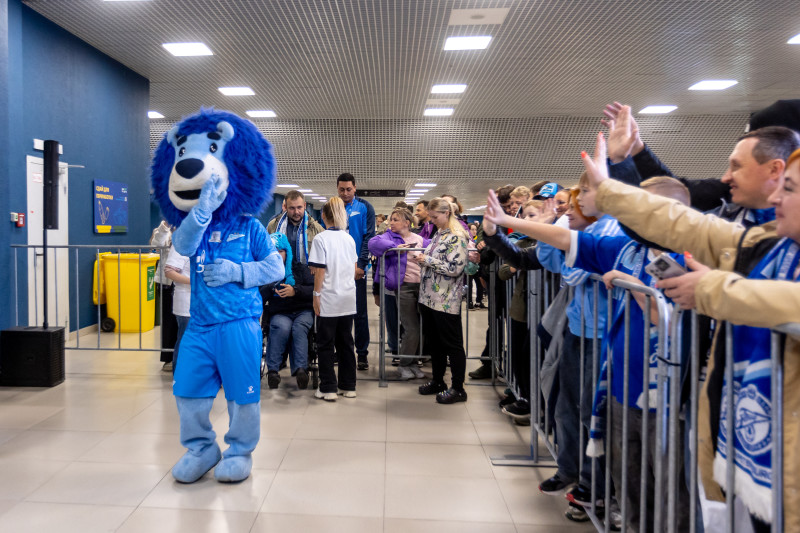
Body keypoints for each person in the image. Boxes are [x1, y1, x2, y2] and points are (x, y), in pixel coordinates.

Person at [581, 134, 800, 532]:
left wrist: (711, 289)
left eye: (790, 189)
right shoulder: (771, 247)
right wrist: (611, 190)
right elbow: (690, 225)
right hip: (755, 441)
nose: (776, 200)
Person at [484, 170, 693, 532]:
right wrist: (504, 222)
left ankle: (606, 495)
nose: (574, 204)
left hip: (662, 381)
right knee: (592, 424)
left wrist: (632, 285)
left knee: (664, 474)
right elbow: (562, 241)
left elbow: (666, 312)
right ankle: (597, 491)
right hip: (616, 364)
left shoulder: (683, 256)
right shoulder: (625, 247)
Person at [265, 190, 323, 390]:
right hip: (279, 282)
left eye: (299, 207)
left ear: (304, 206)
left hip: (305, 283)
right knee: (281, 327)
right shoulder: (273, 226)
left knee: (299, 328)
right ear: (285, 207)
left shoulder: (316, 230)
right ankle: (273, 370)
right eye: (292, 208)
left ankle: (301, 368)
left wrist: (297, 291)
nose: (296, 212)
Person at [413, 198, 470, 403]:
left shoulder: (457, 236)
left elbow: (455, 268)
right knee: (435, 344)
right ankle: (438, 381)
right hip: (429, 297)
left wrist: (427, 260)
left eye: (436, 217)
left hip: (446, 300)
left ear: (447, 213)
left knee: (453, 345)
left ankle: (458, 388)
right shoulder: (440, 234)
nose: (433, 220)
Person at [309, 197, 359, 401]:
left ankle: (328, 387)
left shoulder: (321, 239)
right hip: (348, 298)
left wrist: (316, 296)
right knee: (346, 343)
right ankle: (349, 386)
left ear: (323, 216)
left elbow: (319, 272)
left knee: (325, 344)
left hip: (329, 298)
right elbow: (355, 270)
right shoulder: (349, 239)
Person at [369, 207, 428, 380]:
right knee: (411, 328)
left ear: (406, 223)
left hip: (422, 287)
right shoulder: (388, 236)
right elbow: (373, 244)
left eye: (395, 219)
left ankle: (412, 362)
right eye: (390, 219)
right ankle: (404, 364)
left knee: (422, 328)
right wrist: (395, 247)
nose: (391, 222)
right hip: (404, 287)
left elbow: (435, 246)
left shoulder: (419, 239)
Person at [336, 172, 375, 371]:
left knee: (359, 313)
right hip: (336, 270)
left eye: (348, 189)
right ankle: (340, 350)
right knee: (337, 312)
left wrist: (361, 264)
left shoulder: (365, 207)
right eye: (341, 189)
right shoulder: (333, 207)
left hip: (356, 268)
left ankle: (362, 353)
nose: (345, 193)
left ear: (355, 188)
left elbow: (369, 237)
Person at [150, 220, 177, 371]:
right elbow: (156, 245)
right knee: (168, 321)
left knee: (183, 322)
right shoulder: (163, 230)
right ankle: (168, 358)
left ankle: (182, 356)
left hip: (185, 283)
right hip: (167, 283)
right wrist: (165, 226)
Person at [164, 244, 190, 373]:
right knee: (186, 339)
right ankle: (180, 376)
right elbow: (169, 271)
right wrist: (194, 282)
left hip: (205, 302)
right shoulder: (182, 242)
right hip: (187, 301)